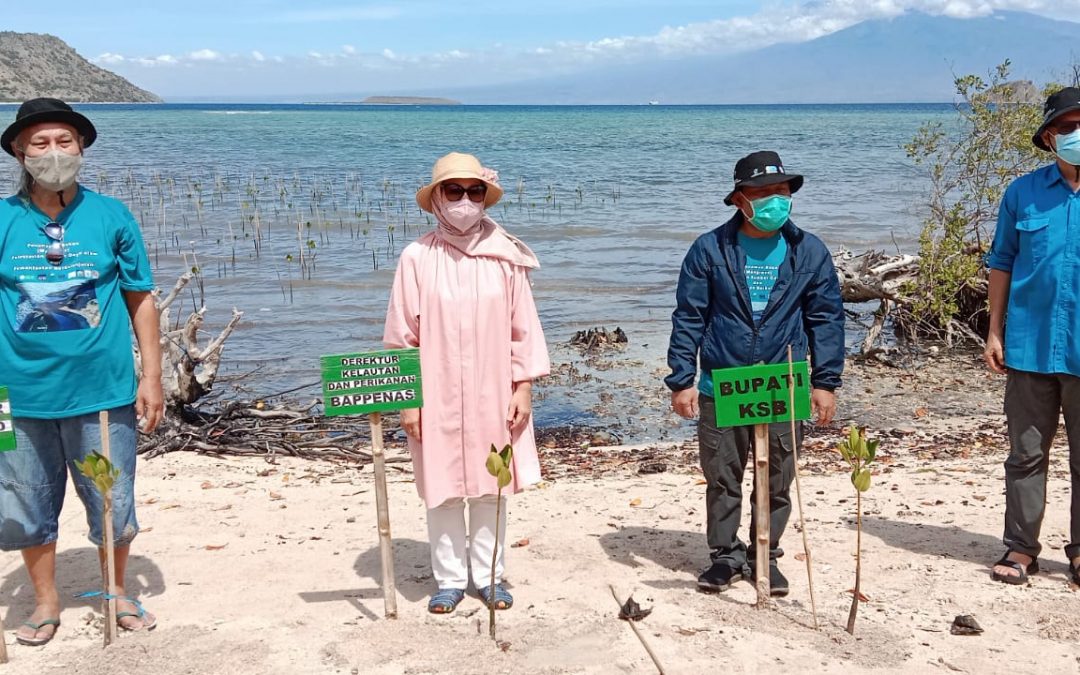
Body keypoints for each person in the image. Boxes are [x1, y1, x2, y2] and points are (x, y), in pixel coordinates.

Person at [0, 98, 163, 645]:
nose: (53, 153)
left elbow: (140, 298)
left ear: (82, 147)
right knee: (22, 502)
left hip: (101, 396)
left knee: (110, 496)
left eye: (63, 141)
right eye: (40, 144)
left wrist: (152, 376)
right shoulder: (2, 220)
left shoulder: (111, 216)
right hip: (11, 399)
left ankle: (116, 591)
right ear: (20, 153)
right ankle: (45, 601)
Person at [666, 150, 844, 596]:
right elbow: (689, 316)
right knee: (723, 476)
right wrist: (681, 378)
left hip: (783, 384)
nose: (775, 201)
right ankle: (725, 555)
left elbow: (826, 319)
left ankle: (766, 553)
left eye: (781, 192)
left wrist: (825, 382)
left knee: (778, 476)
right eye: (764, 194)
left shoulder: (810, 251)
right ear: (741, 200)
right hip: (721, 384)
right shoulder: (709, 249)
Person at [383, 152, 549, 614]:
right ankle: (451, 579)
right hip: (435, 391)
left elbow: (524, 329)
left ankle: (491, 575)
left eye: (474, 191)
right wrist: (408, 401)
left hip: (493, 388)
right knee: (443, 486)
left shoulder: (506, 258)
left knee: (489, 483)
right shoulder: (417, 257)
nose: (464, 200)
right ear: (436, 198)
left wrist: (524, 387)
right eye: (453, 191)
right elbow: (402, 336)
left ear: (485, 198)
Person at [984, 86, 1080, 586]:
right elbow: (1001, 262)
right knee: (1025, 454)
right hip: (1029, 346)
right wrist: (994, 330)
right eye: (1068, 127)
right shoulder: (1022, 192)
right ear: (1049, 137)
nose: (1077, 134)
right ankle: (1021, 549)